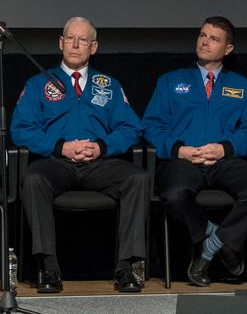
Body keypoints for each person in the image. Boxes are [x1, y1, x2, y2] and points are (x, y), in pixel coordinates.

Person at [10, 17, 150, 293]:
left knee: (139, 179)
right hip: (56, 163)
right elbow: (21, 129)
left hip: (99, 164)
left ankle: (126, 268)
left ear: (93, 47)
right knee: (33, 179)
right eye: (70, 38)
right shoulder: (40, 83)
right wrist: (60, 146)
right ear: (61, 43)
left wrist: (102, 146)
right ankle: (48, 268)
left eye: (82, 40)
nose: (75, 45)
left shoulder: (108, 84)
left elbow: (132, 126)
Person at [142, 16, 247, 286]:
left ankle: (211, 247)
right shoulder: (171, 81)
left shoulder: (242, 85)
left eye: (214, 38)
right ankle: (219, 241)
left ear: (228, 48)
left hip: (224, 160)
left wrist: (224, 149)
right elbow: (151, 125)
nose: (205, 41)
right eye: (202, 35)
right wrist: (180, 150)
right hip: (184, 160)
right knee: (175, 195)